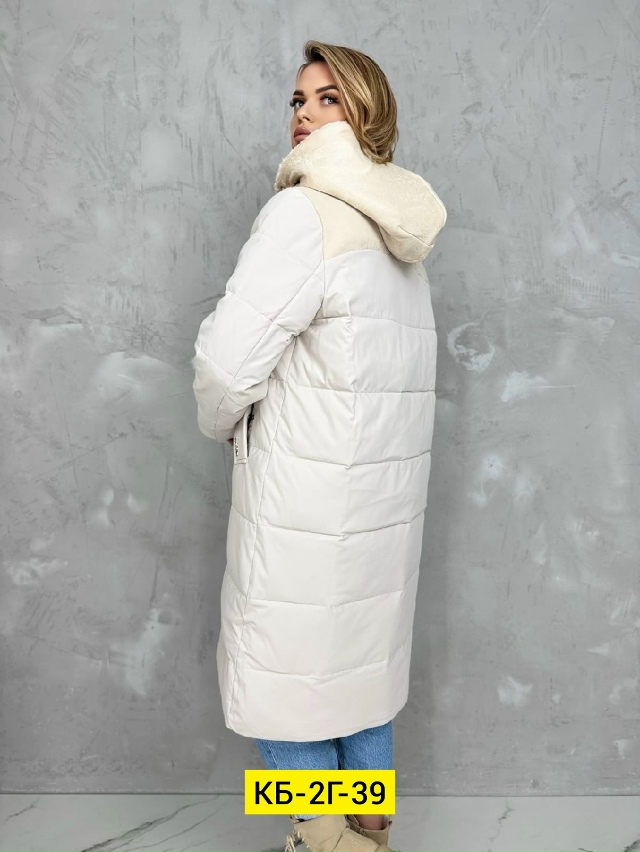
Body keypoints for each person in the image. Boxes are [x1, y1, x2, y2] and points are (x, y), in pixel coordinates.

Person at [191, 39, 447, 852]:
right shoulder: (399, 237)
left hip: (302, 509)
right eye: (298, 100)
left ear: (367, 110)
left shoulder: (302, 215)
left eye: (327, 97)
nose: (303, 115)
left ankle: (323, 839)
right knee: (358, 674)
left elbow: (225, 364)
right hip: (379, 512)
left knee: (286, 679)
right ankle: (369, 829)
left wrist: (221, 422)